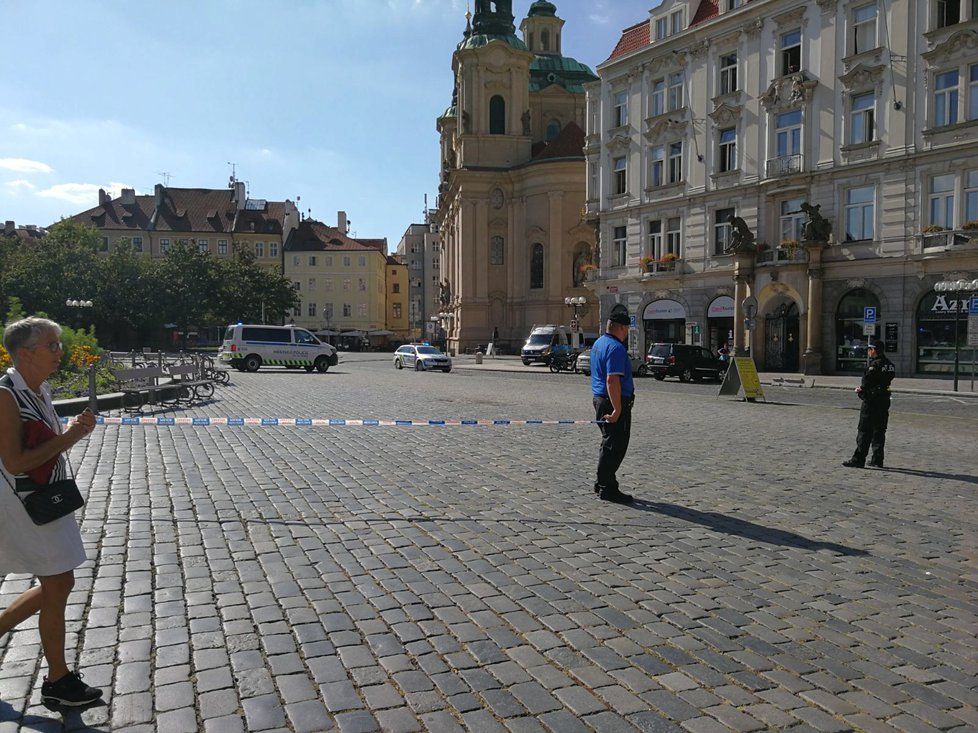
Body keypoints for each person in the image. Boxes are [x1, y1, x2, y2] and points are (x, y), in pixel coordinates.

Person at [0, 317, 102, 706]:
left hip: (47, 498)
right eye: (52, 345)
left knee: (59, 583)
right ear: (26, 352)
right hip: (25, 504)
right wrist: (71, 436)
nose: (60, 351)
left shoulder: (38, 389)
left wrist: (71, 435)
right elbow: (14, 462)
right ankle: (58, 682)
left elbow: (46, 448)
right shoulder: (6, 395)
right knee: (59, 584)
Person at [591, 305, 635, 504]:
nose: (627, 334)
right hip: (612, 402)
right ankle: (607, 487)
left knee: (608, 443)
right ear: (621, 328)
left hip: (599, 399)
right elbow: (612, 380)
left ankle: (603, 483)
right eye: (627, 330)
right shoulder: (616, 348)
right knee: (616, 446)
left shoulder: (599, 343)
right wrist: (617, 409)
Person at [843, 340, 895, 469]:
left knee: (864, 431)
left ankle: (858, 459)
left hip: (872, 402)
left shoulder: (874, 366)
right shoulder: (890, 365)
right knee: (879, 430)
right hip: (884, 401)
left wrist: (860, 392)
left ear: (874, 350)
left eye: (869, 349)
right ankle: (877, 459)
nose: (868, 351)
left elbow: (866, 385)